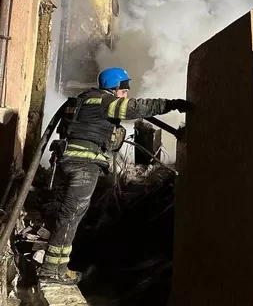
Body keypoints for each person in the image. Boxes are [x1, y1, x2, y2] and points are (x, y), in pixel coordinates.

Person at [39, 67, 190, 284]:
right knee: (71, 215)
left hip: (69, 161)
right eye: (124, 89)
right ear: (114, 87)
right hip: (84, 165)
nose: (126, 93)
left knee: (71, 213)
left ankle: (58, 265)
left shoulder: (85, 100)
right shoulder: (106, 102)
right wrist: (173, 104)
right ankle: (52, 269)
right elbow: (138, 107)